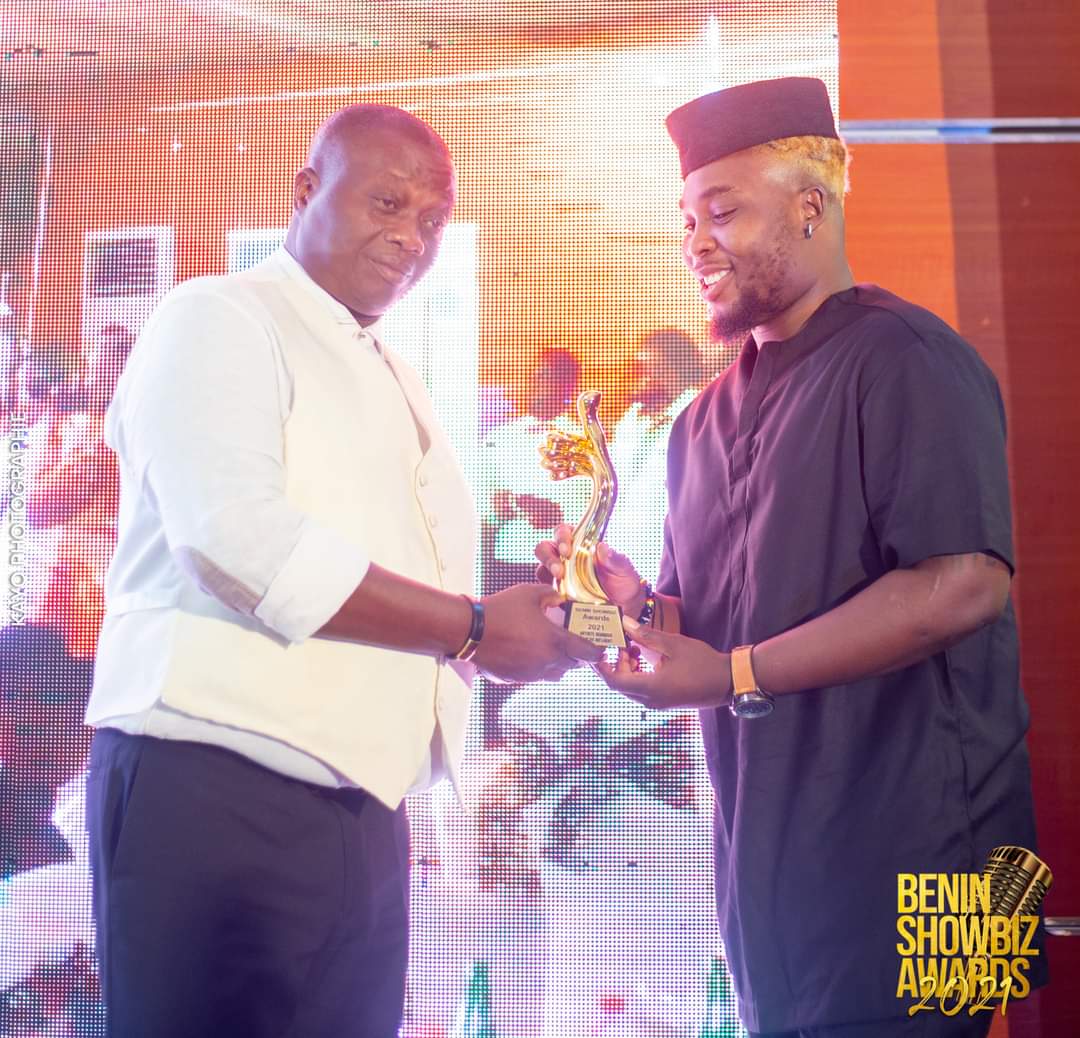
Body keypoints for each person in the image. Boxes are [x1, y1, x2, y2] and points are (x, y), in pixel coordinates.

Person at [538, 77, 1043, 1037]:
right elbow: (704, 628)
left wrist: (734, 673)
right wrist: (619, 605)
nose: (696, 243)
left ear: (811, 205)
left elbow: (964, 584)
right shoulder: (700, 422)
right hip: (772, 870)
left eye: (722, 212)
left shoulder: (910, 358)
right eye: (686, 221)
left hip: (942, 869)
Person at [83, 104, 601, 1038]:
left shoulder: (389, 366)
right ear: (305, 191)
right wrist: (475, 628)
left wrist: (558, 616)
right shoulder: (219, 314)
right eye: (387, 204)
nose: (412, 238)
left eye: (432, 221)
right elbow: (235, 540)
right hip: (215, 791)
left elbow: (402, 572)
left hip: (362, 811)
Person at [480, 346, 589, 594]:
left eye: (548, 375)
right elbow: (483, 500)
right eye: (537, 374)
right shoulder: (501, 437)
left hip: (562, 562)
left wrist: (558, 515)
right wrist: (506, 506)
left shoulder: (581, 441)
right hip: (507, 556)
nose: (538, 383)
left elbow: (588, 504)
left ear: (568, 386)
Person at [605, 328, 706, 584]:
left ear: (672, 369)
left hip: (669, 573)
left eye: (644, 367)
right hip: (617, 565)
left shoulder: (699, 416)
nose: (635, 375)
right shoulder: (631, 419)